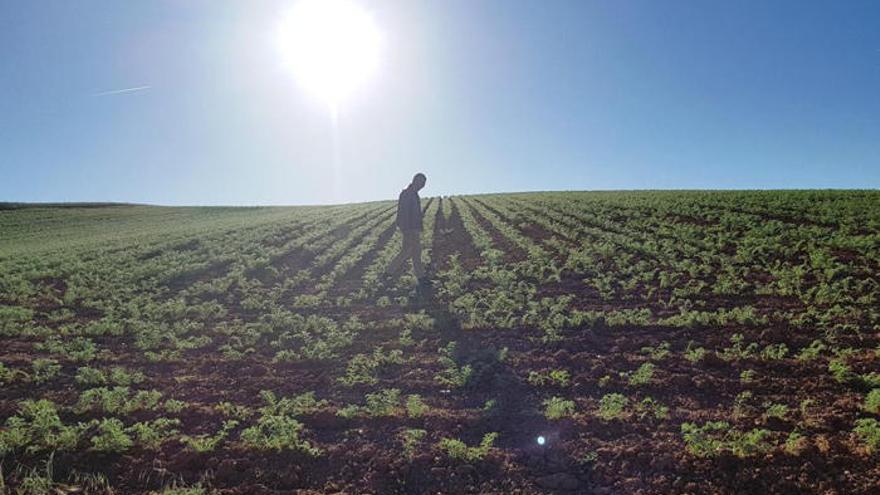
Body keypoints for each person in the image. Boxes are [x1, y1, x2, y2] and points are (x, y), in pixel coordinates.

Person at [385, 173, 428, 287]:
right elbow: (402, 213)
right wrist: (406, 229)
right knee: (411, 252)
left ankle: (389, 273)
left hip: (413, 228)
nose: (423, 186)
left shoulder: (413, 194)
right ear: (415, 181)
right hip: (409, 228)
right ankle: (420, 278)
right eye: (422, 183)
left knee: (411, 252)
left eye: (424, 184)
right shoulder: (407, 193)